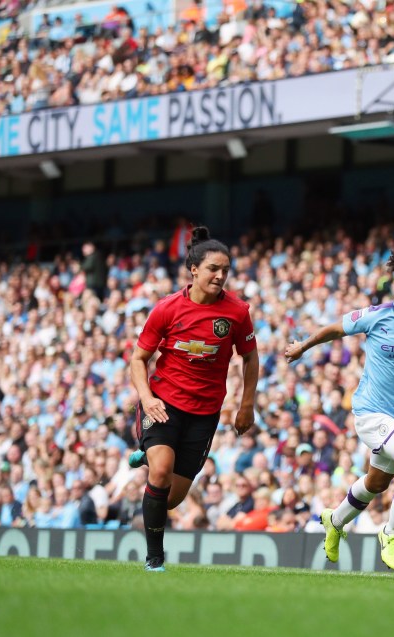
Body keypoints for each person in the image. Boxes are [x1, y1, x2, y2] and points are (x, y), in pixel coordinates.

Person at [284, 243, 394, 571]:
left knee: (376, 484)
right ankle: (390, 532)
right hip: (371, 412)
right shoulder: (377, 316)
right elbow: (336, 328)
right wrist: (304, 346)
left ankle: (335, 520)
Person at [128, 226, 259, 571]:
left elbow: (250, 357)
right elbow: (138, 359)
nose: (220, 276)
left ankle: (147, 458)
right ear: (194, 269)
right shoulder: (166, 309)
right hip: (163, 404)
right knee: (161, 471)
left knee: (171, 498)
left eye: (225, 271)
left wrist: (247, 405)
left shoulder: (237, 312)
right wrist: (147, 397)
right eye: (214, 269)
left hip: (205, 412)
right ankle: (155, 558)